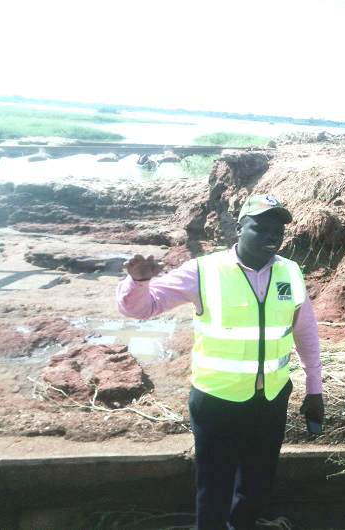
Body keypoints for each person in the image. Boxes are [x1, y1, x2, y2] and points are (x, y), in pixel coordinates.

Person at [117, 194, 323, 530]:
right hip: (216, 401)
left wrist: (314, 389)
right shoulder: (203, 270)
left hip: (270, 400)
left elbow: (306, 334)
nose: (271, 236)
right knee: (214, 489)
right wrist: (138, 282)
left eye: (278, 230)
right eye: (261, 227)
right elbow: (140, 309)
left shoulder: (291, 272)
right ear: (240, 227)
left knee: (258, 486)